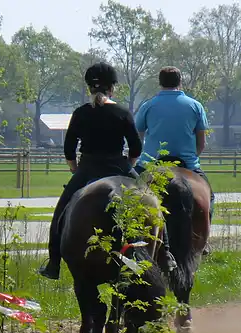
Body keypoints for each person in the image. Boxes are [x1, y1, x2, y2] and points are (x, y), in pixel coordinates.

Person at [38, 62, 176, 280]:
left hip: (88, 168)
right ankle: (166, 252)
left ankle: (53, 262)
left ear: (89, 88)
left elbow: (69, 148)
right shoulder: (122, 112)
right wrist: (128, 164)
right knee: (153, 203)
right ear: (112, 87)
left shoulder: (81, 113)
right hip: (119, 166)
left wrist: (74, 168)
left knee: (61, 210)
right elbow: (136, 146)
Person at [133, 66, 215, 253]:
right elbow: (201, 143)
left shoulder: (148, 106)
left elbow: (138, 137)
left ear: (160, 82)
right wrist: (192, 158)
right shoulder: (195, 106)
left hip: (151, 163)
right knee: (209, 197)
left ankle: (130, 239)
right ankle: (203, 241)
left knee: (128, 195)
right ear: (180, 82)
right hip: (187, 164)